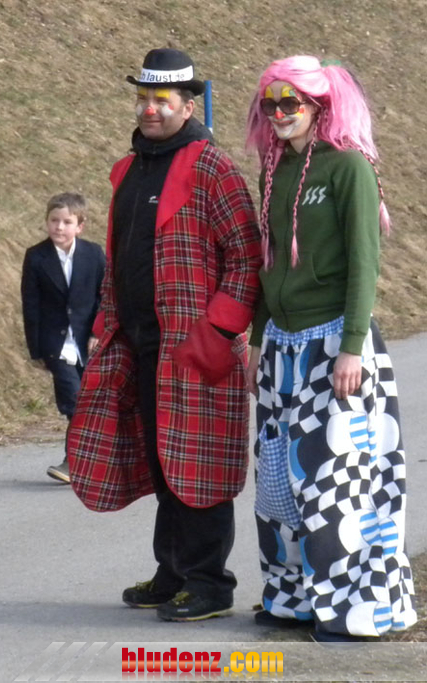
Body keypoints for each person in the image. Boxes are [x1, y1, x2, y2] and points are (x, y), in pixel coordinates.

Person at [66, 48, 262, 621]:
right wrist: (106, 325)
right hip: (140, 345)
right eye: (143, 99)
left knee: (199, 464)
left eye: (161, 100)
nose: (149, 109)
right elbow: (119, 257)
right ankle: (173, 571)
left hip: (196, 347)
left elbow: (246, 257)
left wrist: (218, 330)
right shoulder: (130, 169)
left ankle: (209, 583)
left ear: (188, 105)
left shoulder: (212, 167)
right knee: (164, 460)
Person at [243, 56, 417, 641]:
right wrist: (257, 340)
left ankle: (354, 613)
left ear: (319, 106)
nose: (279, 113)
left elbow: (365, 264)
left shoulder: (349, 168)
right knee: (277, 482)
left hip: (333, 345)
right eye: (270, 104)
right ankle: (293, 599)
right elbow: (269, 264)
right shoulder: (274, 170)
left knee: (337, 484)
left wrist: (351, 348)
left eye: (290, 103)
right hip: (280, 348)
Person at [20, 192, 105, 483]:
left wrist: (98, 331)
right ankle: (73, 462)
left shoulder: (93, 254)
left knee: (88, 402)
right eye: (54, 220)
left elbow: (105, 296)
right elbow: (30, 305)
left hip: (87, 342)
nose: (59, 227)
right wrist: (36, 351)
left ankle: (89, 462)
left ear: (80, 226)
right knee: (75, 400)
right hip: (55, 344)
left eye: (67, 222)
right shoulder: (36, 256)